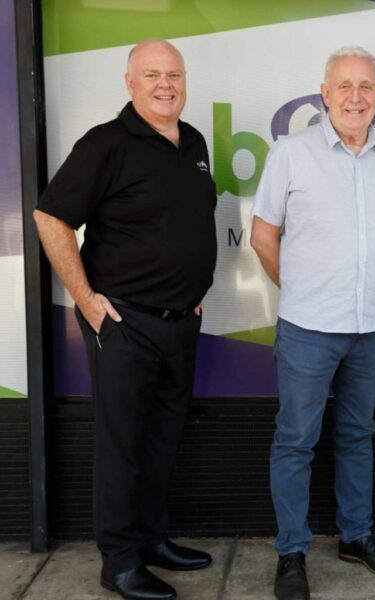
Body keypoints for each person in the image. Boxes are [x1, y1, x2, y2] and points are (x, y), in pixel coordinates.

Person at [33, 39, 216, 600]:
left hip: (180, 323)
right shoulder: (105, 144)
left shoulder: (193, 142)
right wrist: (88, 301)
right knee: (122, 445)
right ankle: (118, 561)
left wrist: (192, 292)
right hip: (125, 323)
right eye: (152, 75)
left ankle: (152, 540)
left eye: (174, 75)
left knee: (162, 440)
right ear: (130, 83)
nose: (166, 85)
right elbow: (50, 217)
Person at [250, 47, 375, 600]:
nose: (355, 97)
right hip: (306, 327)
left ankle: (356, 536)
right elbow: (262, 235)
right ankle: (292, 552)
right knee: (295, 441)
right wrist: (304, 288)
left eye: (366, 86)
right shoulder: (292, 153)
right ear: (324, 93)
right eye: (344, 86)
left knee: (357, 434)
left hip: (369, 326)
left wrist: (358, 282)